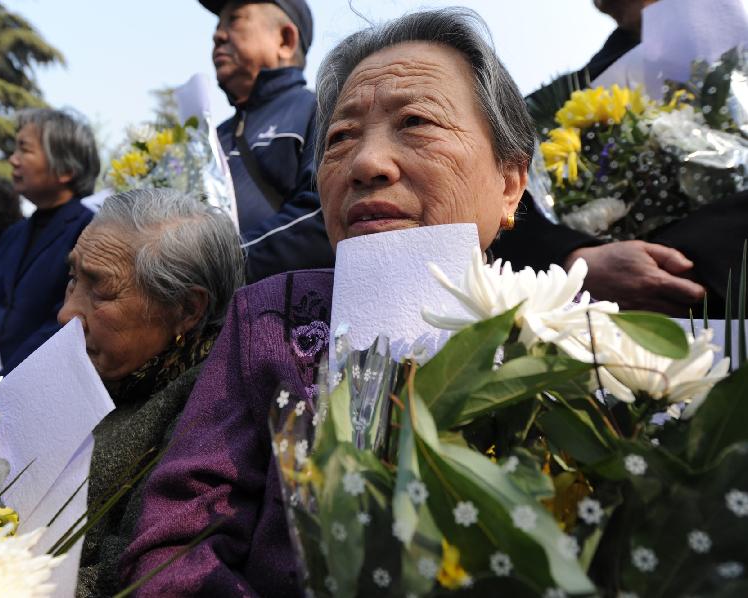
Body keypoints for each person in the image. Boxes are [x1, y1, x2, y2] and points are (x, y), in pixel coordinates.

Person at [121, 9, 531, 596]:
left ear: (511, 182)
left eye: (416, 122)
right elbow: (178, 542)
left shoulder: (568, 335)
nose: (366, 164)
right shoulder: (269, 317)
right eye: (340, 138)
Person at [57, 189, 244, 597]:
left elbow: (126, 574)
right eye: (73, 279)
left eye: (101, 292)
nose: (67, 313)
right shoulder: (86, 371)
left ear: (186, 309)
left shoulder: (209, 409)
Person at [490, 0, 725, 317]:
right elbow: (494, 199)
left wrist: (679, 260)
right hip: (593, 335)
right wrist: (574, 260)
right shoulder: (553, 104)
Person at [198, 0, 335, 283]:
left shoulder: (320, 110)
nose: (218, 35)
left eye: (234, 20)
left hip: (285, 315)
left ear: (285, 40)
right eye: (217, 25)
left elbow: (326, 217)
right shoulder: (212, 138)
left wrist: (216, 264)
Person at [0, 108, 100, 373]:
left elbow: (68, 320)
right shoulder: (13, 235)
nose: (13, 159)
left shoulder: (90, 230)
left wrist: (5, 378)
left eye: (25, 149)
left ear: (66, 169)